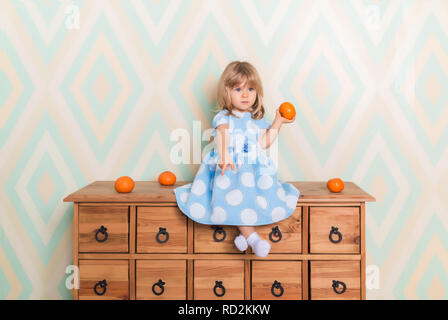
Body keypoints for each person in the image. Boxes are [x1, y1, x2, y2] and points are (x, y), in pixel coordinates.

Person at [173, 61, 300, 257]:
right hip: (230, 166)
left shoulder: (256, 120)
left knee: (252, 199)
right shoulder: (224, 117)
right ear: (227, 92)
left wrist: (278, 122)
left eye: (250, 89)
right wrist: (224, 155)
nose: (245, 94)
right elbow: (222, 136)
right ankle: (252, 238)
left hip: (253, 170)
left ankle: (241, 233)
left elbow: (264, 143)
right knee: (234, 196)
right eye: (238, 89)